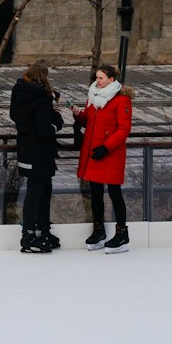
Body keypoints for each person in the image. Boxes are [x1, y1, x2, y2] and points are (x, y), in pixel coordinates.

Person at [72, 64, 134, 253]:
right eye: (96, 78)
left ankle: (122, 233)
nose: (97, 81)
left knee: (115, 192)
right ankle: (98, 230)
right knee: (95, 192)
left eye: (101, 78)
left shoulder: (121, 100)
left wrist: (106, 148)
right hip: (93, 153)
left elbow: (124, 130)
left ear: (111, 80)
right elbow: (88, 121)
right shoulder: (93, 96)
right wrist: (78, 116)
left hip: (110, 153)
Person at [9, 60, 64, 254]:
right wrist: (57, 122)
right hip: (40, 152)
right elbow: (44, 130)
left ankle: (40, 230)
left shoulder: (19, 93)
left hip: (25, 149)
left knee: (39, 190)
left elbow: (15, 117)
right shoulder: (41, 99)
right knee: (38, 193)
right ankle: (31, 234)